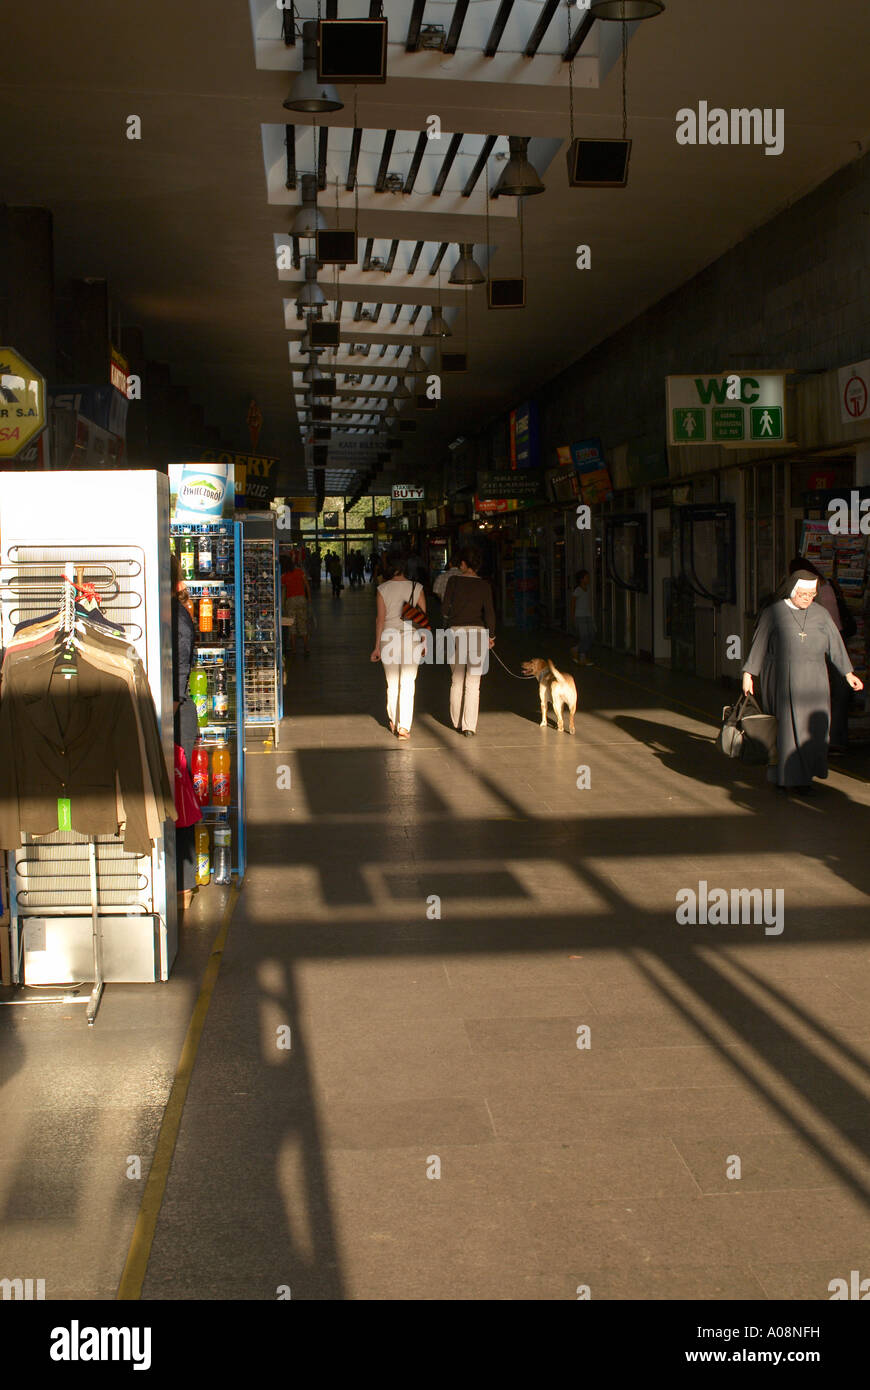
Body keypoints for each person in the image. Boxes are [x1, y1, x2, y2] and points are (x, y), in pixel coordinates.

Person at [742, 568, 863, 793]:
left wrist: (848, 673)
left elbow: (835, 644)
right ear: (792, 591)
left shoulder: (821, 614)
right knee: (786, 728)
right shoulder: (774, 613)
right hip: (782, 679)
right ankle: (786, 777)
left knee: (814, 729)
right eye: (803, 595)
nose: (808, 599)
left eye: (812, 595)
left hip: (815, 679)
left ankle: (805, 776)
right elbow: (759, 643)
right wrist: (749, 674)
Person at [788, 556, 852, 753]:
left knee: (822, 691)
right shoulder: (827, 584)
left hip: (821, 643)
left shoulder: (807, 593)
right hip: (838, 639)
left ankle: (823, 738)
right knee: (839, 691)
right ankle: (836, 738)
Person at [371, 547, 427, 740]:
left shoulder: (382, 589)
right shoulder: (416, 587)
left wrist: (377, 647)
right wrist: (425, 642)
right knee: (408, 683)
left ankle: (394, 721)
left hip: (389, 638)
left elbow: (380, 619)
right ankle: (404, 727)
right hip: (411, 638)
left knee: (392, 683)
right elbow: (422, 619)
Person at [442, 546, 496, 738]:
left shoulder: (453, 581)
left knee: (456, 681)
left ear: (464, 564)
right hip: (478, 634)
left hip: (455, 632)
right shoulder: (484, 585)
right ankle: (469, 726)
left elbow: (444, 609)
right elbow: (489, 613)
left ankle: (456, 722)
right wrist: (491, 636)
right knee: (474, 683)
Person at [170, 553, 199, 911]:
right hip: (173, 712)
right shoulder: (174, 613)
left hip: (175, 716)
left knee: (177, 794)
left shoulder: (176, 618)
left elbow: (178, 676)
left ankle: (184, 882)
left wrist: (166, 714)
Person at [281, 554, 311, 659]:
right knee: (302, 624)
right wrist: (309, 598)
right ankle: (306, 648)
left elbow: (283, 590)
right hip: (301, 599)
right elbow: (306, 584)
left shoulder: (284, 576)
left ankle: (294, 650)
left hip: (290, 601)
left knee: (292, 625)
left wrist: (283, 604)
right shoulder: (300, 572)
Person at [570, 569, 595, 665]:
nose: (588, 579)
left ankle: (576, 649)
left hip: (587, 615)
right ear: (581, 579)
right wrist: (573, 617)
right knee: (584, 636)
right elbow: (573, 604)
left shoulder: (587, 589)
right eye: (586, 577)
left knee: (591, 635)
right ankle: (582, 657)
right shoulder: (578, 590)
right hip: (580, 616)